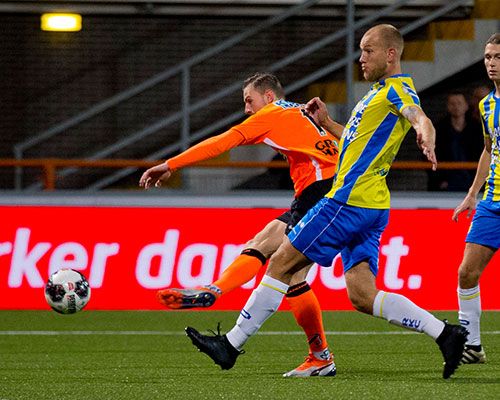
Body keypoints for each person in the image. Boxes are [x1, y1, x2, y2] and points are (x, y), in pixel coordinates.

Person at [185, 24, 469, 380]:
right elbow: (355, 143)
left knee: (281, 262)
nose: (361, 58)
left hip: (347, 202)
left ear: (391, 54)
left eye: (368, 51)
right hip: (373, 205)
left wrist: (426, 131)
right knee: (363, 295)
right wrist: (327, 123)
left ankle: (231, 345)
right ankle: (446, 335)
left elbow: (417, 115)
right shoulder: (375, 96)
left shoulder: (398, 88)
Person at [139, 72, 343, 377]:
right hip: (331, 188)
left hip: (320, 191)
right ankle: (216, 293)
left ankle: (235, 336)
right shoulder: (302, 109)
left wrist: (170, 165)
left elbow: (222, 142)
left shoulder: (271, 114)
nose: (247, 109)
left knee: (288, 270)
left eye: (250, 100)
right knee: (264, 244)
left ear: (269, 97)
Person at [452, 33, 500, 365]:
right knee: (466, 272)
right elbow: (487, 150)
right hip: (492, 203)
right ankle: (472, 345)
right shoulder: (486, 105)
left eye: (497, 57)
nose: (491, 63)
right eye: (487, 57)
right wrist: (472, 194)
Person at [428, 91, 483, 191]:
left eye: (459, 103)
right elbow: (429, 154)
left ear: (466, 106)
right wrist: (440, 181)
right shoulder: (439, 129)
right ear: (448, 106)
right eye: (452, 104)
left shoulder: (477, 129)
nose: (456, 107)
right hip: (446, 182)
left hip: (472, 180)